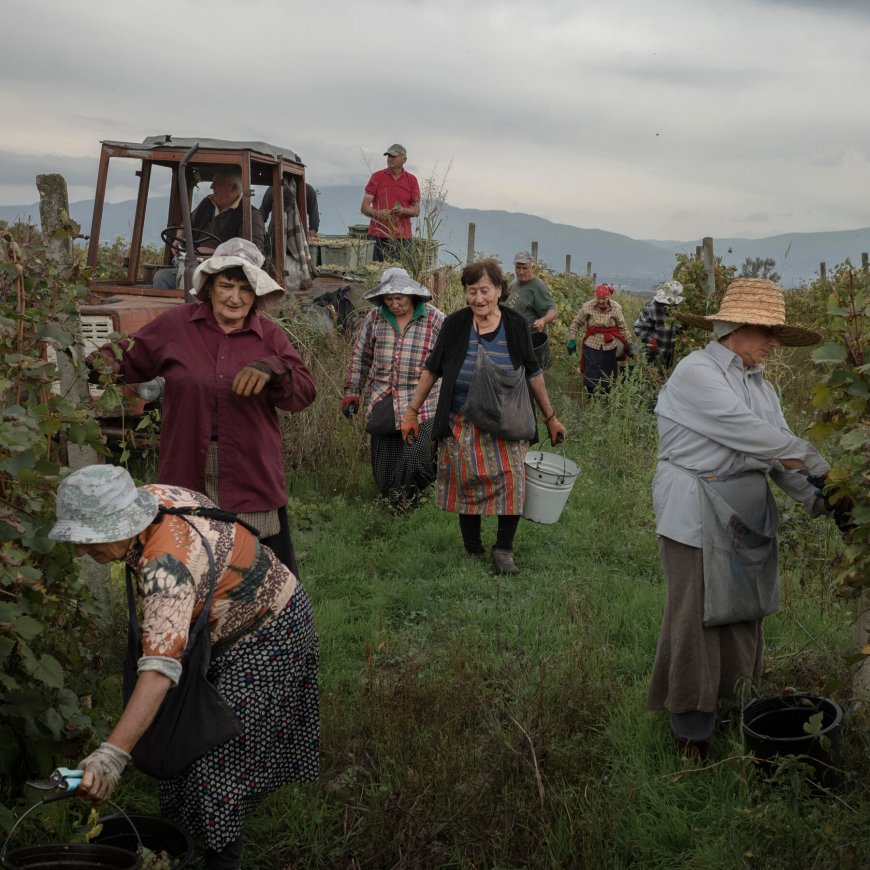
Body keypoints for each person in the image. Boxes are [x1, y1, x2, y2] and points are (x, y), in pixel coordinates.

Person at [49, 464, 319, 870]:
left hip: (270, 630)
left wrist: (111, 755)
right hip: (220, 625)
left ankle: (220, 857)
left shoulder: (166, 568)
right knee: (184, 737)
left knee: (218, 753)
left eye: (88, 539)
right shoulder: (151, 499)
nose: (81, 551)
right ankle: (183, 833)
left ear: (121, 523)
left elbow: (158, 674)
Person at [646, 277, 838, 758]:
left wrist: (828, 499)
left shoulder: (762, 387)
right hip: (696, 507)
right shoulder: (698, 372)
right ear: (736, 327)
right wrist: (818, 465)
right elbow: (752, 436)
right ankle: (692, 730)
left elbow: (777, 453)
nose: (775, 344)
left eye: (777, 333)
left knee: (741, 611)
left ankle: (733, 707)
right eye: (768, 332)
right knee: (696, 615)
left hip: (743, 513)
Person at [88, 238, 316, 575]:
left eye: (244, 288)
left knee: (253, 570)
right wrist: (90, 363)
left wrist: (273, 369)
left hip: (248, 470)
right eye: (226, 285)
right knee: (190, 562)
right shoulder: (177, 326)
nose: (234, 297)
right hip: (186, 465)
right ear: (209, 286)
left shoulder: (269, 337)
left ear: (255, 294)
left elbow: (304, 392)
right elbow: (128, 356)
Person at [402, 259, 566, 576]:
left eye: (485, 291)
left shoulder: (516, 325)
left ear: (500, 291)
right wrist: (411, 412)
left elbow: (533, 373)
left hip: (509, 421)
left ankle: (503, 550)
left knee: (513, 482)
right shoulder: (455, 325)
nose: (479, 298)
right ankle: (473, 548)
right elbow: (432, 369)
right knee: (468, 483)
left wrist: (551, 418)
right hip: (462, 421)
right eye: (472, 291)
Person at [342, 268, 445, 508]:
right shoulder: (375, 318)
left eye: (399, 298)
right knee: (384, 464)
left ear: (412, 296)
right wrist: (352, 392)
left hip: (424, 403)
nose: (395, 304)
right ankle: (393, 504)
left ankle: (412, 498)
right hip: (384, 398)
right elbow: (361, 357)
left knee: (416, 457)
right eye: (389, 299)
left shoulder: (435, 319)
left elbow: (451, 358)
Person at [154, 167, 266, 289]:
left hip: (222, 274)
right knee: (161, 277)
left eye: (216, 183)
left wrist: (216, 253)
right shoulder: (207, 203)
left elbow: (253, 254)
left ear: (233, 188)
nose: (212, 186)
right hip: (193, 265)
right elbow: (186, 223)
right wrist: (178, 238)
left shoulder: (250, 215)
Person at [566, 283, 632, 393]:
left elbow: (622, 326)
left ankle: (606, 395)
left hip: (610, 344)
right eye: (599, 298)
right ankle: (590, 394)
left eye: (604, 298)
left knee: (608, 371)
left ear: (609, 297)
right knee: (591, 369)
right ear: (595, 296)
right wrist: (572, 339)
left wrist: (629, 343)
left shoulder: (615, 307)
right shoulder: (588, 307)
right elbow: (576, 323)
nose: (601, 301)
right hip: (592, 343)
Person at [360, 144, 420, 263]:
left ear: (404, 159)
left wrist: (403, 210)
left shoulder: (411, 180)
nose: (389, 159)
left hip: (403, 238)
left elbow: (416, 210)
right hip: (377, 236)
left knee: (402, 275)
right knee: (377, 276)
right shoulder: (377, 177)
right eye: (388, 156)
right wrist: (378, 214)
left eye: (393, 156)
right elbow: (364, 207)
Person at [633, 280, 684, 368]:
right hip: (653, 353)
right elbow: (638, 327)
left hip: (671, 352)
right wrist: (651, 341)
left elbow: (681, 327)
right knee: (651, 378)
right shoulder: (652, 307)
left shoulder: (679, 308)